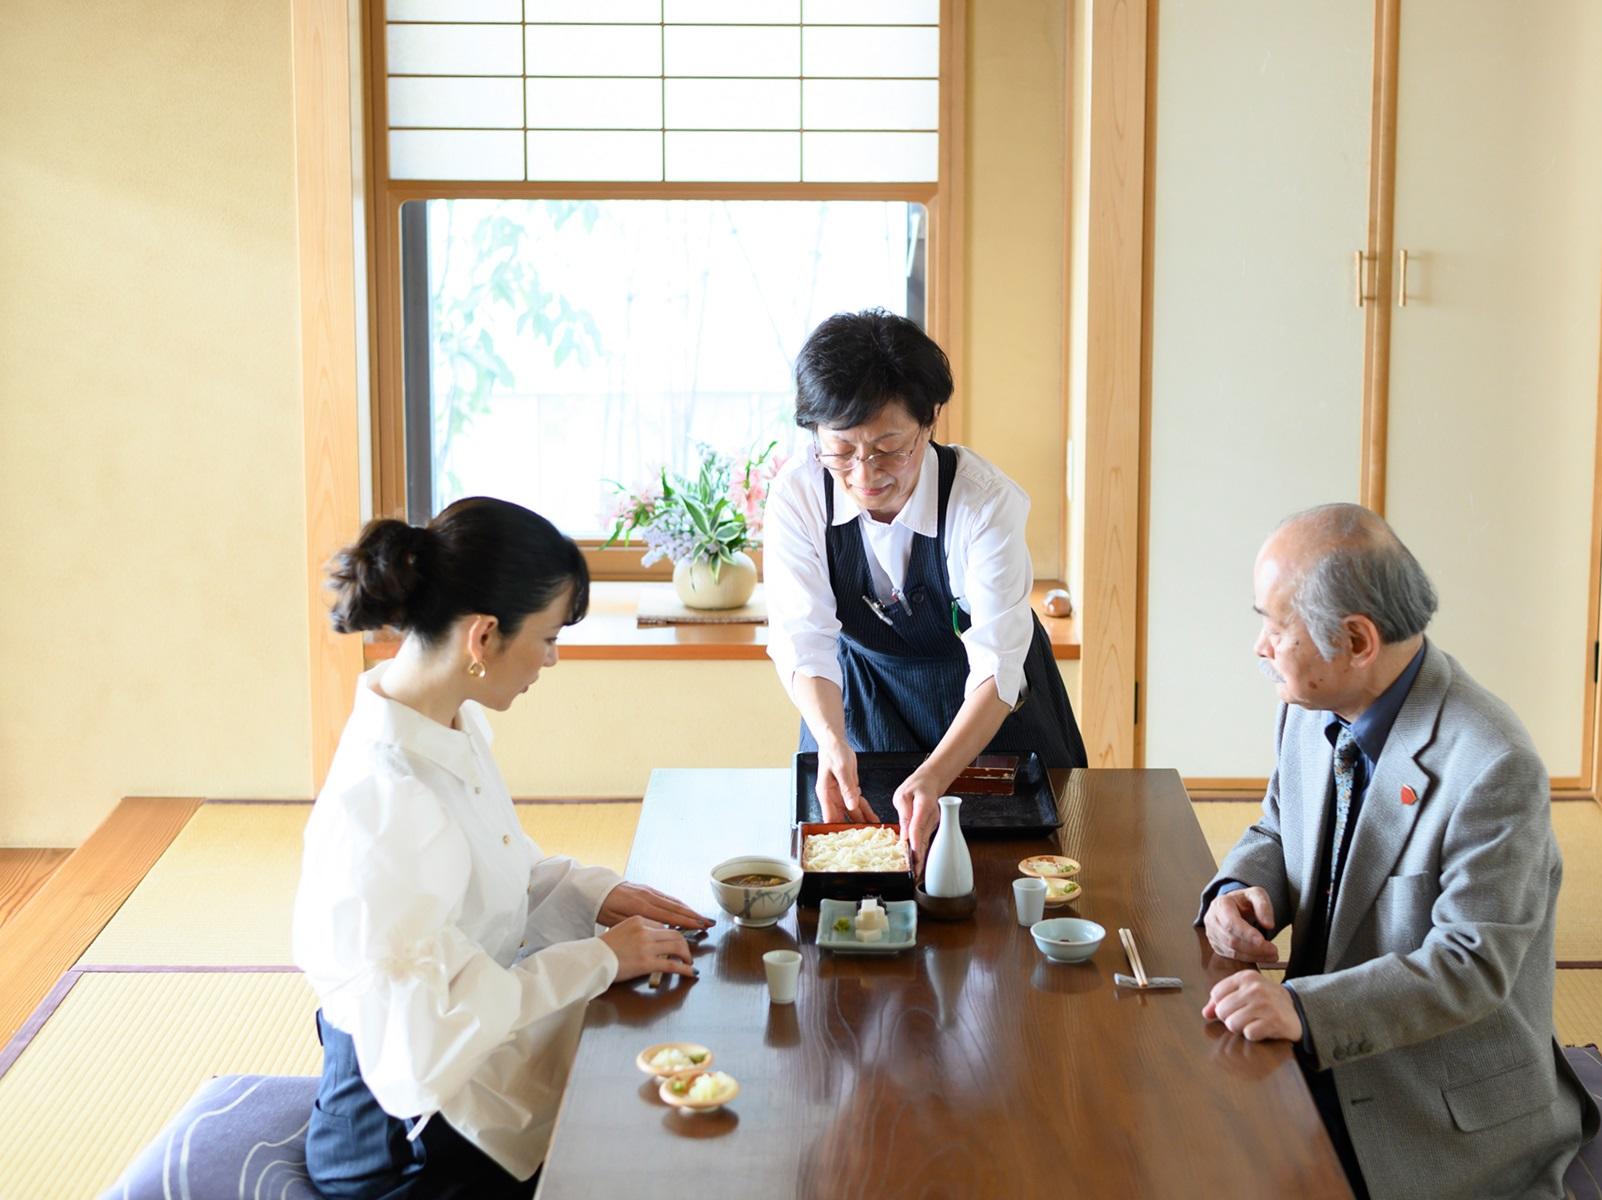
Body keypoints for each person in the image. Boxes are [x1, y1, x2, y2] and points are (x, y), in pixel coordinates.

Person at [293, 497, 712, 1199]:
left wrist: (596, 894)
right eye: (547, 637)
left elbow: (494, 884)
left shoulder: (441, 720)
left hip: (461, 1061)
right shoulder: (391, 801)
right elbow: (426, 1046)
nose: (552, 658)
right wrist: (600, 959)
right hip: (405, 1137)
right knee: (650, 1146)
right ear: (484, 636)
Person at [1196, 503, 1597, 1200]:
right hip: (1318, 1039)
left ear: (1357, 640)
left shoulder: (1493, 765)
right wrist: (1239, 891)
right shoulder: (1308, 706)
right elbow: (1277, 829)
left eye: (1277, 627)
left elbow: (1471, 964)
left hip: (1435, 1100)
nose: (1260, 647)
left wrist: (1305, 1013)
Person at [762, 309, 1086, 861]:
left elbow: (998, 662)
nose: (864, 474)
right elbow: (804, 640)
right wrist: (832, 740)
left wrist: (936, 775)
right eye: (840, 450)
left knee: (1018, 864)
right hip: (866, 694)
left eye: (889, 448)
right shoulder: (799, 495)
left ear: (930, 420)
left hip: (988, 704)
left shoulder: (983, 502)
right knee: (866, 857)